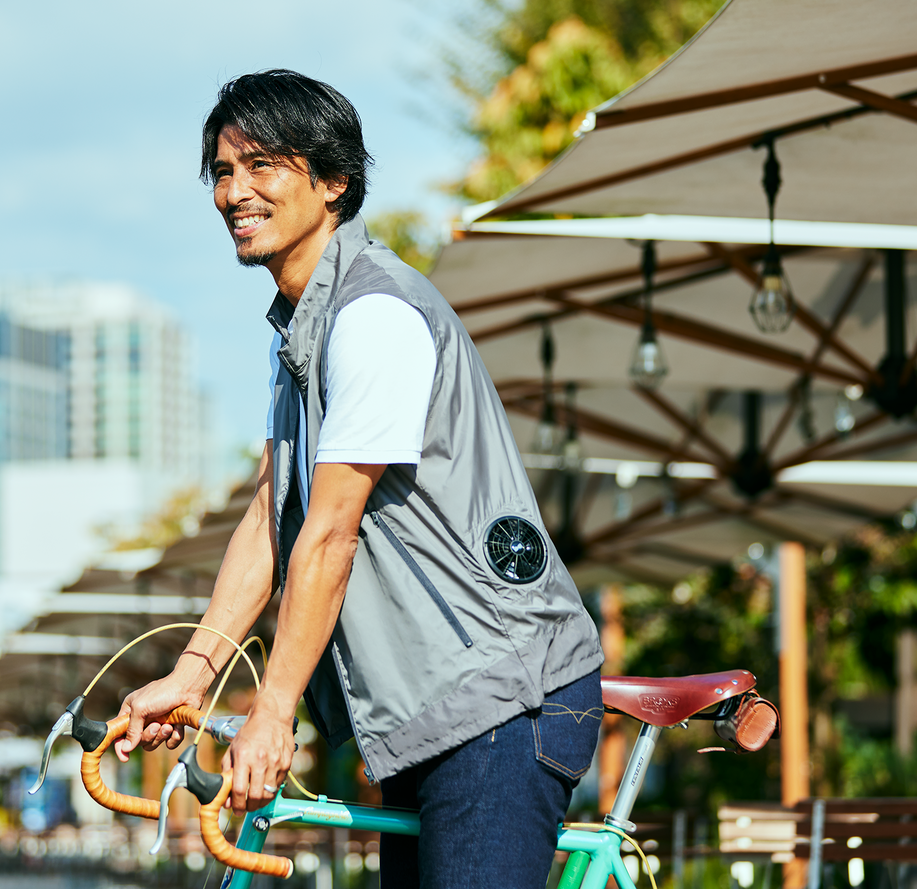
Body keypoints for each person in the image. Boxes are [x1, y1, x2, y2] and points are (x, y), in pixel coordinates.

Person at [115, 69, 604, 888]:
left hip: (500, 698)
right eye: (223, 173)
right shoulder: (300, 337)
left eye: (262, 165)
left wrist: (274, 710)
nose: (236, 191)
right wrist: (193, 672)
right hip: (430, 710)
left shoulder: (372, 317)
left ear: (334, 180)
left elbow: (330, 533)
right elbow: (272, 522)